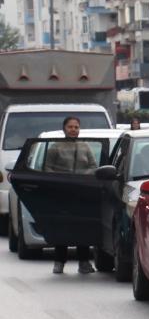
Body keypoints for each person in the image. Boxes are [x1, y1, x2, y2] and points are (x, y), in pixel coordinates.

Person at [46, 117, 99, 274]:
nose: (73, 130)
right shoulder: (55, 147)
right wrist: (61, 180)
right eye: (70, 127)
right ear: (64, 128)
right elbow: (47, 169)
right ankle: (59, 261)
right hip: (61, 195)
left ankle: (84, 262)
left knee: (82, 228)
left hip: (81, 194)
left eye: (76, 127)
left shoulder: (85, 146)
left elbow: (93, 166)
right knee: (61, 228)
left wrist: (82, 176)